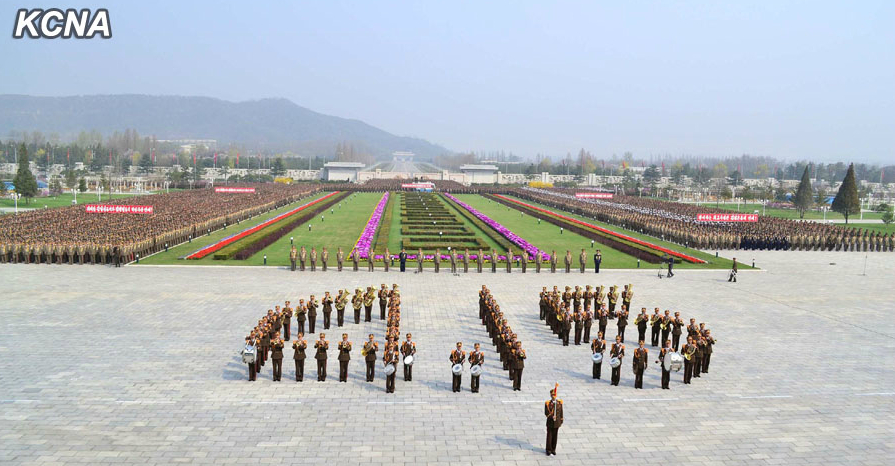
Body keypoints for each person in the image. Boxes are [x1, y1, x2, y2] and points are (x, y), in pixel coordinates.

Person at [544, 388, 563, 456]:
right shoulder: (548, 403)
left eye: (554, 395)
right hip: (550, 422)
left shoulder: (559, 403)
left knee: (555, 436)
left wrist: (561, 420)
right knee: (549, 436)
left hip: (557, 422)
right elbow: (546, 413)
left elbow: (561, 412)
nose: (553, 396)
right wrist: (552, 417)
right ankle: (548, 449)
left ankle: (553, 449)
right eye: (552, 395)